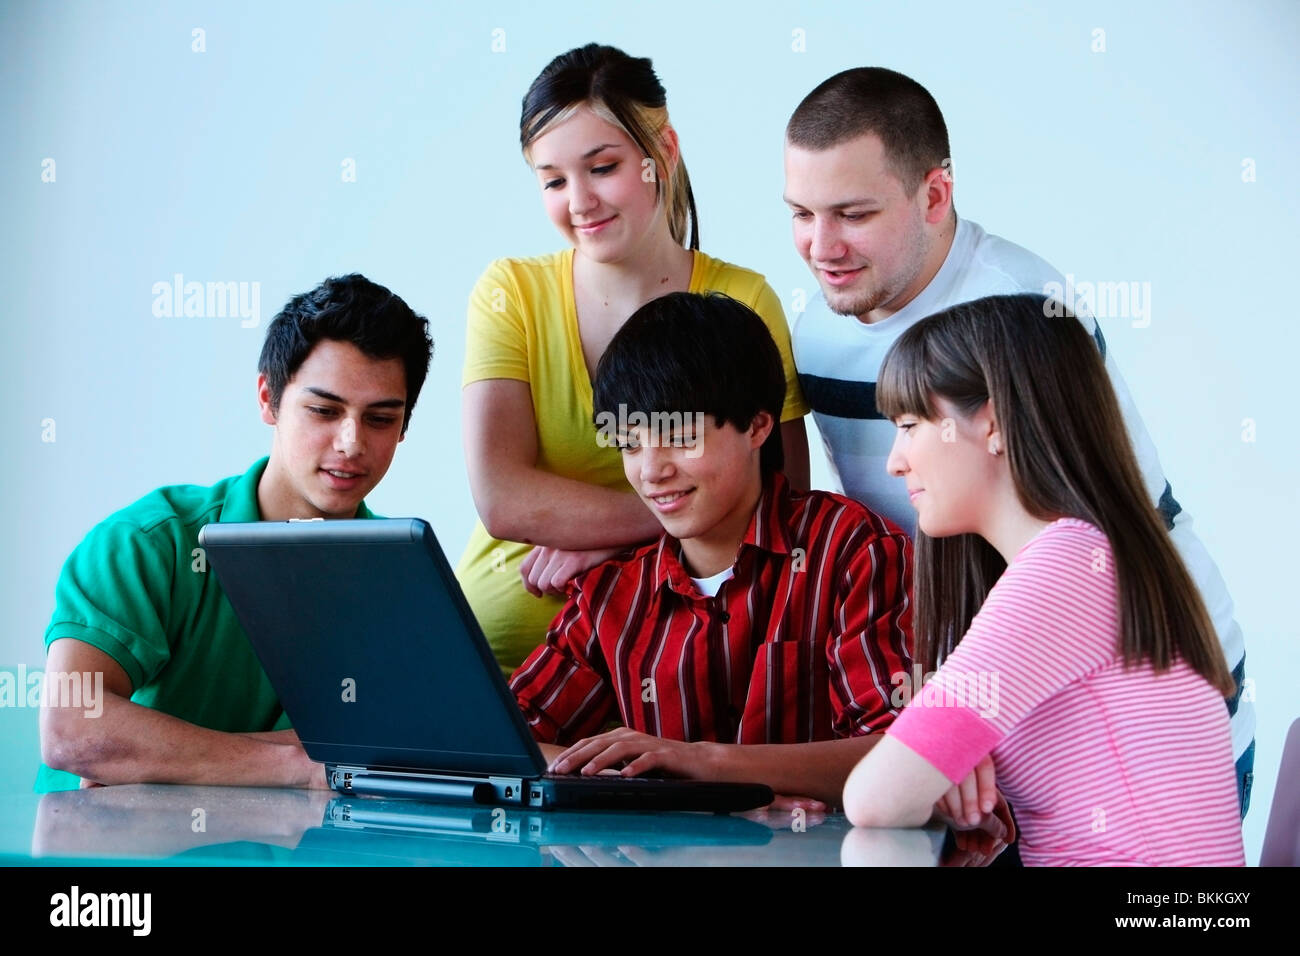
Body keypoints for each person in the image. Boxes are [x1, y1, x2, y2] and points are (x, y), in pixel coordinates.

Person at [782, 66, 1254, 817]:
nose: (821, 245)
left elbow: (1074, 559)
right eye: (801, 214)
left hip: (1137, 695)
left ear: (936, 195)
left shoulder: (1019, 308)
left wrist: (958, 714)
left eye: (852, 213)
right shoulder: (815, 334)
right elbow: (902, 537)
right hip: (995, 697)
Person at [842, 294, 1245, 866]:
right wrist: (950, 754)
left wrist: (929, 761)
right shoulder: (1089, 555)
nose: (895, 461)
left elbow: (873, 799)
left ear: (994, 423)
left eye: (910, 425)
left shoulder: (1069, 567)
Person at [458, 43, 811, 677]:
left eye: (603, 167)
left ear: (663, 153)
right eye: (553, 181)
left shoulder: (743, 299)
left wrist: (619, 537)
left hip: (674, 668)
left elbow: (780, 499)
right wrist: (675, 514)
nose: (580, 201)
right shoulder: (509, 292)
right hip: (494, 660)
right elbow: (502, 498)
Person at [509, 292, 910, 807]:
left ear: (758, 427)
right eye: (630, 444)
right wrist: (690, 792)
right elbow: (500, 745)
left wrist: (704, 765)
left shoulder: (853, 552)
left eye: (678, 437)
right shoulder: (612, 592)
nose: (651, 471)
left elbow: (905, 755)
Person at [38, 274, 433, 790]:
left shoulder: (408, 578)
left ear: (404, 427)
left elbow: (418, 748)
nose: (351, 443)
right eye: (323, 410)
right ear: (268, 398)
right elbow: (71, 728)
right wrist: (298, 764)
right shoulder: (149, 544)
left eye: (380, 419)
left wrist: (153, 756)